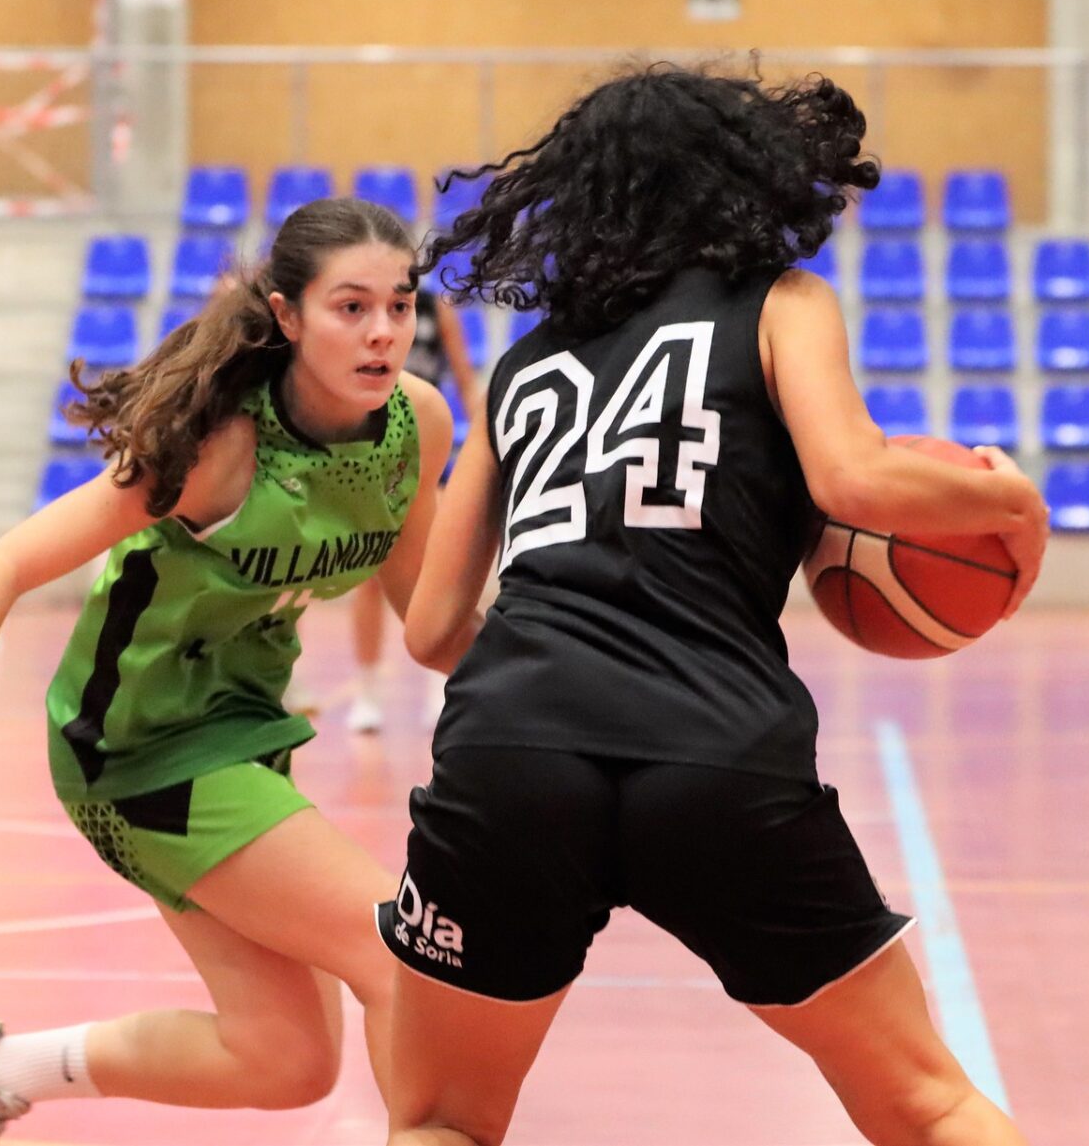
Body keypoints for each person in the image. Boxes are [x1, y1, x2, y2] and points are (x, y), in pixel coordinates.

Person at [378, 66, 1048, 1146]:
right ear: (744, 182)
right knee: (926, 1104)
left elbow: (431, 631)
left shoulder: (524, 365)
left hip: (513, 745)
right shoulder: (780, 304)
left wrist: (560, 664)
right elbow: (854, 479)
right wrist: (1010, 502)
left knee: (442, 1119)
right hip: (714, 746)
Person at [0, 198, 465, 1145]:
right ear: (288, 315)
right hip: (136, 745)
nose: (384, 331)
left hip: (241, 728)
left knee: (286, 1059)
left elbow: (427, 618)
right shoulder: (220, 447)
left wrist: (561, 667)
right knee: (401, 952)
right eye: (351, 307)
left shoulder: (416, 423)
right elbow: (1, 565)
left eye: (400, 304)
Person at [341, 281, 482, 734]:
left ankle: (441, 688)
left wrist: (485, 439)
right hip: (369, 452)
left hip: (421, 448)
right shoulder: (369, 318)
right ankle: (367, 691)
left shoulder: (437, 310)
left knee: (438, 572)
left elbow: (464, 377)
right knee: (370, 577)